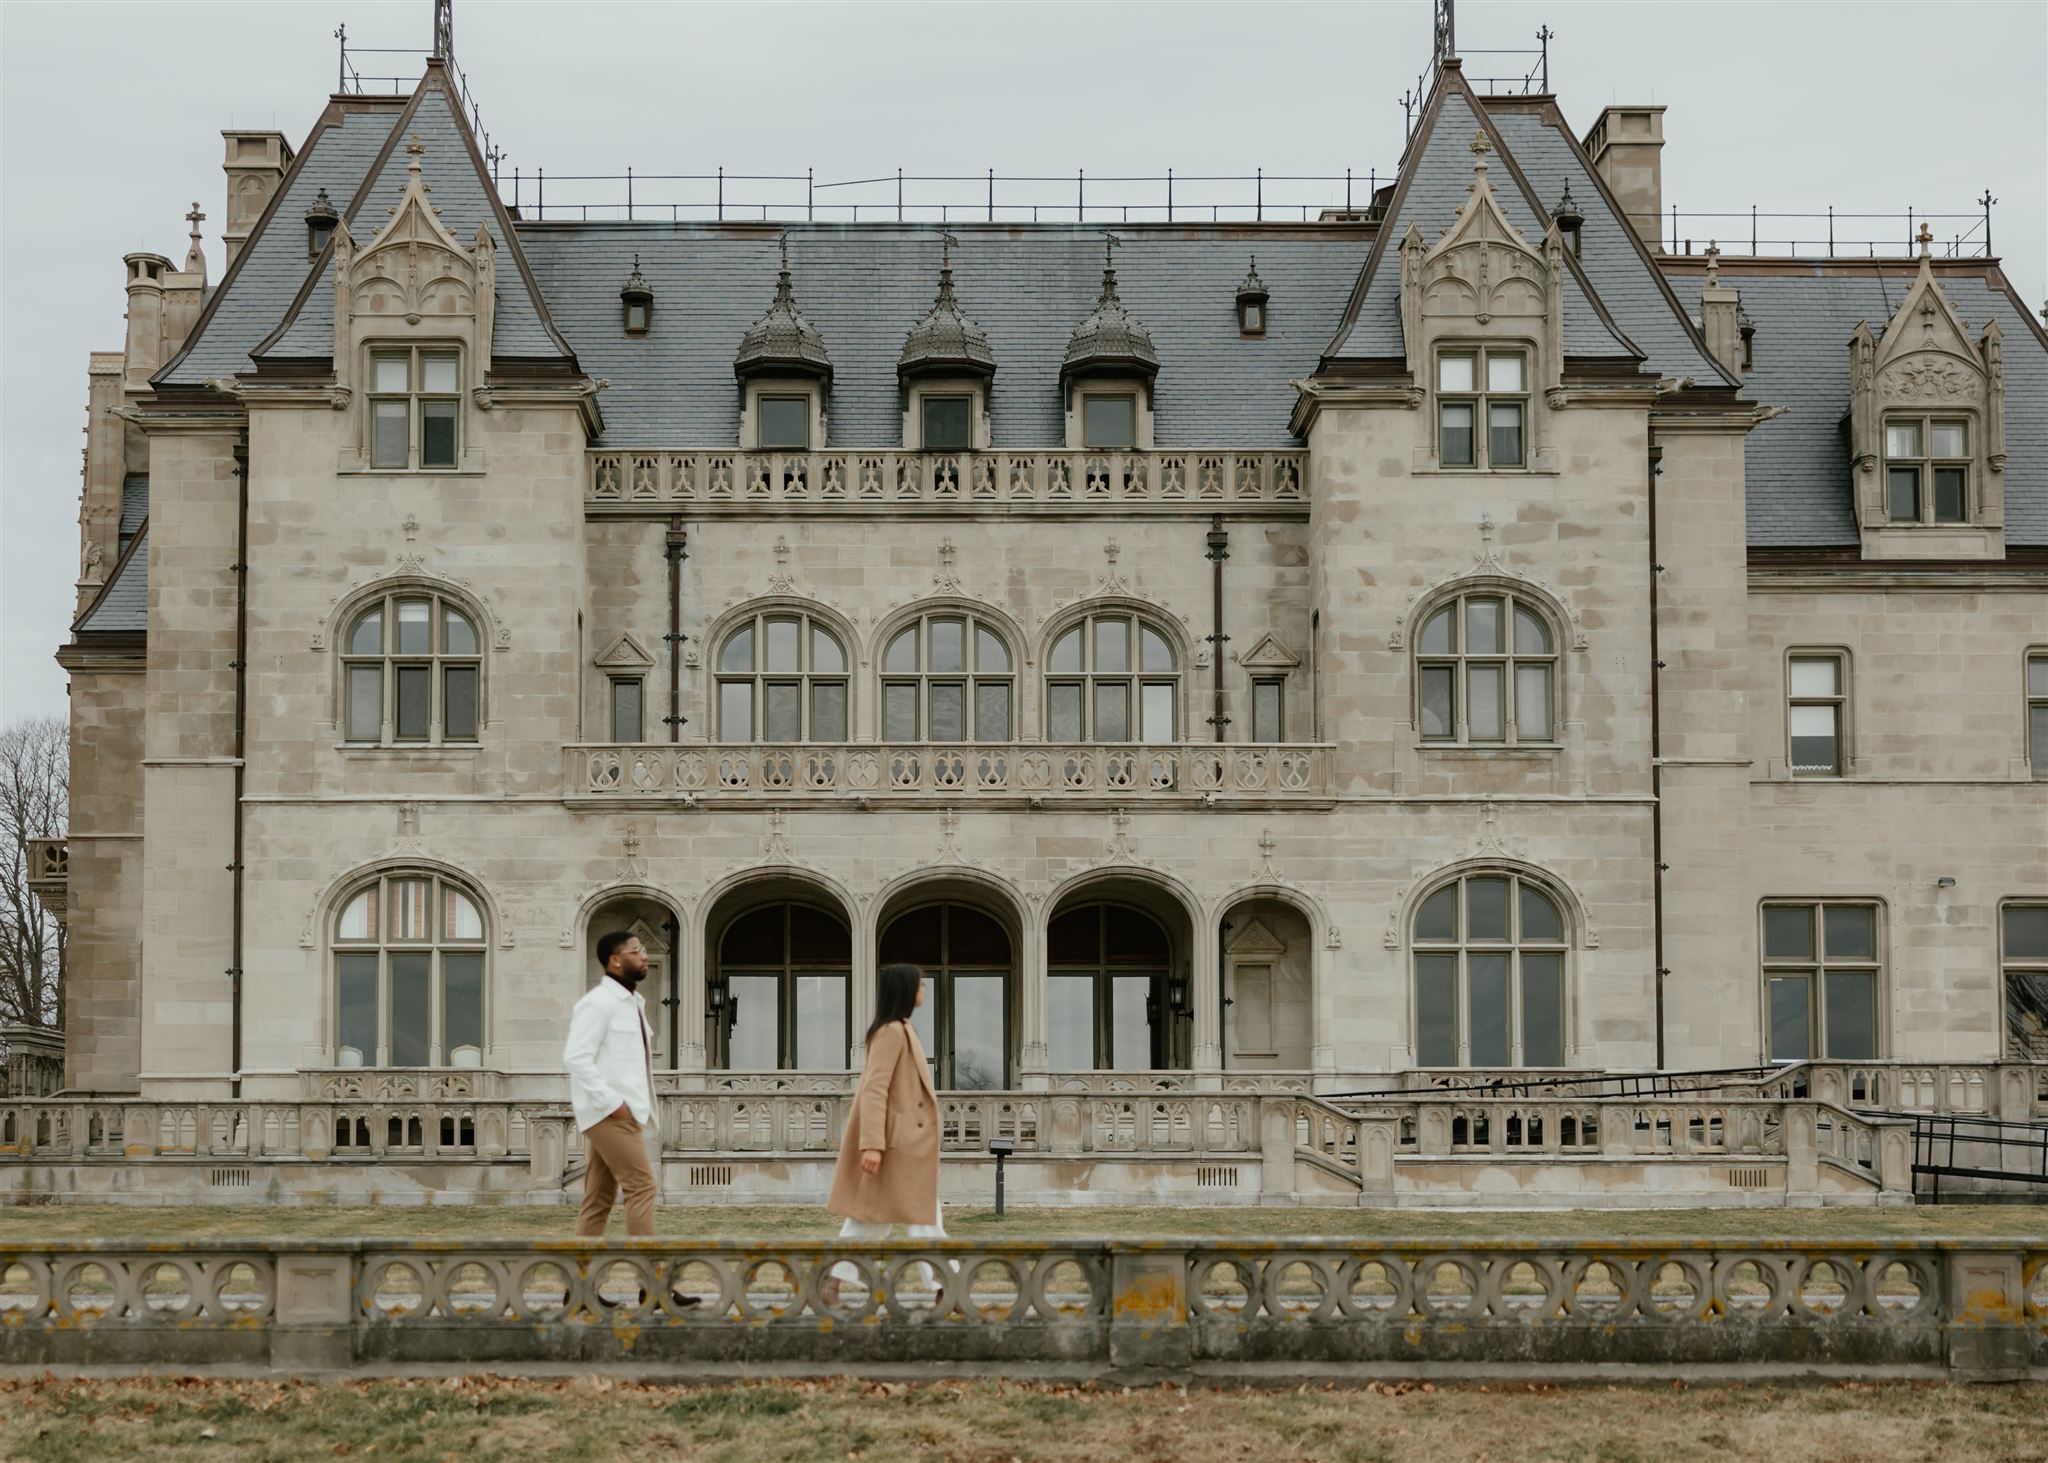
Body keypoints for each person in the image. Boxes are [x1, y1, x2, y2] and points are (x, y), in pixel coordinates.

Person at [820, 962, 945, 1309]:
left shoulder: (901, 1029)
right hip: (897, 1144)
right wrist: (872, 1144)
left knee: (878, 1218)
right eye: (920, 984)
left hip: (903, 1144)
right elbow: (874, 1090)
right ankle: (947, 1286)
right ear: (906, 989)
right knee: (916, 1217)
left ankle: (832, 1281)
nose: (924, 989)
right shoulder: (891, 1032)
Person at [562, 931, 663, 1238]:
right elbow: (576, 1058)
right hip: (611, 1114)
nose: (644, 955)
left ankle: (579, 1285)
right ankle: (651, 1283)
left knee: (598, 1197)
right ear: (615, 960)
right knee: (642, 1186)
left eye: (643, 950)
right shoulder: (598, 1004)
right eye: (636, 951)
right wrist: (614, 1104)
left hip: (619, 1112)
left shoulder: (631, 1002)